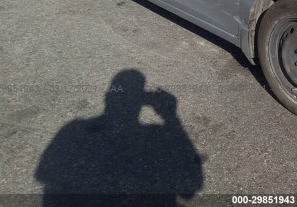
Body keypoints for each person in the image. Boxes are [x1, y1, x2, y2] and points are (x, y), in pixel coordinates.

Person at [35, 70, 203, 206]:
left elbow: (43, 174)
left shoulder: (73, 129)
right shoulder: (157, 135)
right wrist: (170, 116)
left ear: (108, 96)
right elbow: (191, 185)